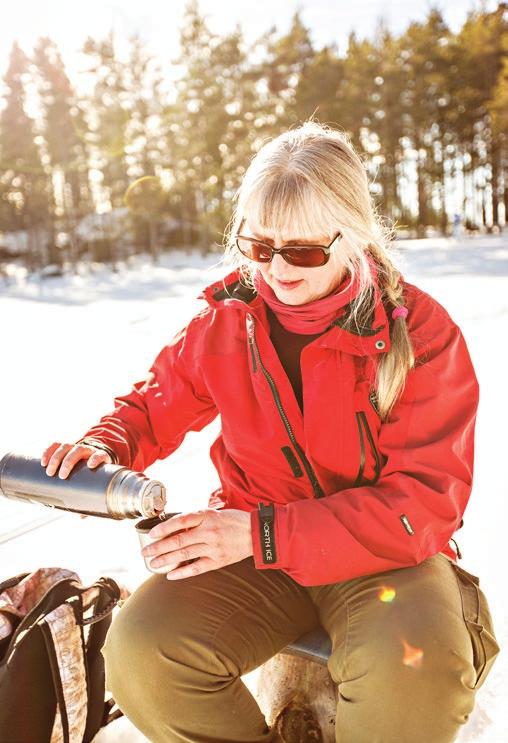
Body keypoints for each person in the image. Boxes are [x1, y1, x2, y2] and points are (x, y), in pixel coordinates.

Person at [41, 121, 499, 743]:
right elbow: (156, 402)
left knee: (416, 677)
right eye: (259, 247)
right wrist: (105, 444)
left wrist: (261, 534)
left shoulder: (419, 332)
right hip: (254, 551)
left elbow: (422, 504)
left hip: (385, 562)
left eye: (303, 251)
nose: (277, 269)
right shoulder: (226, 321)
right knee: (143, 653)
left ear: (352, 236)